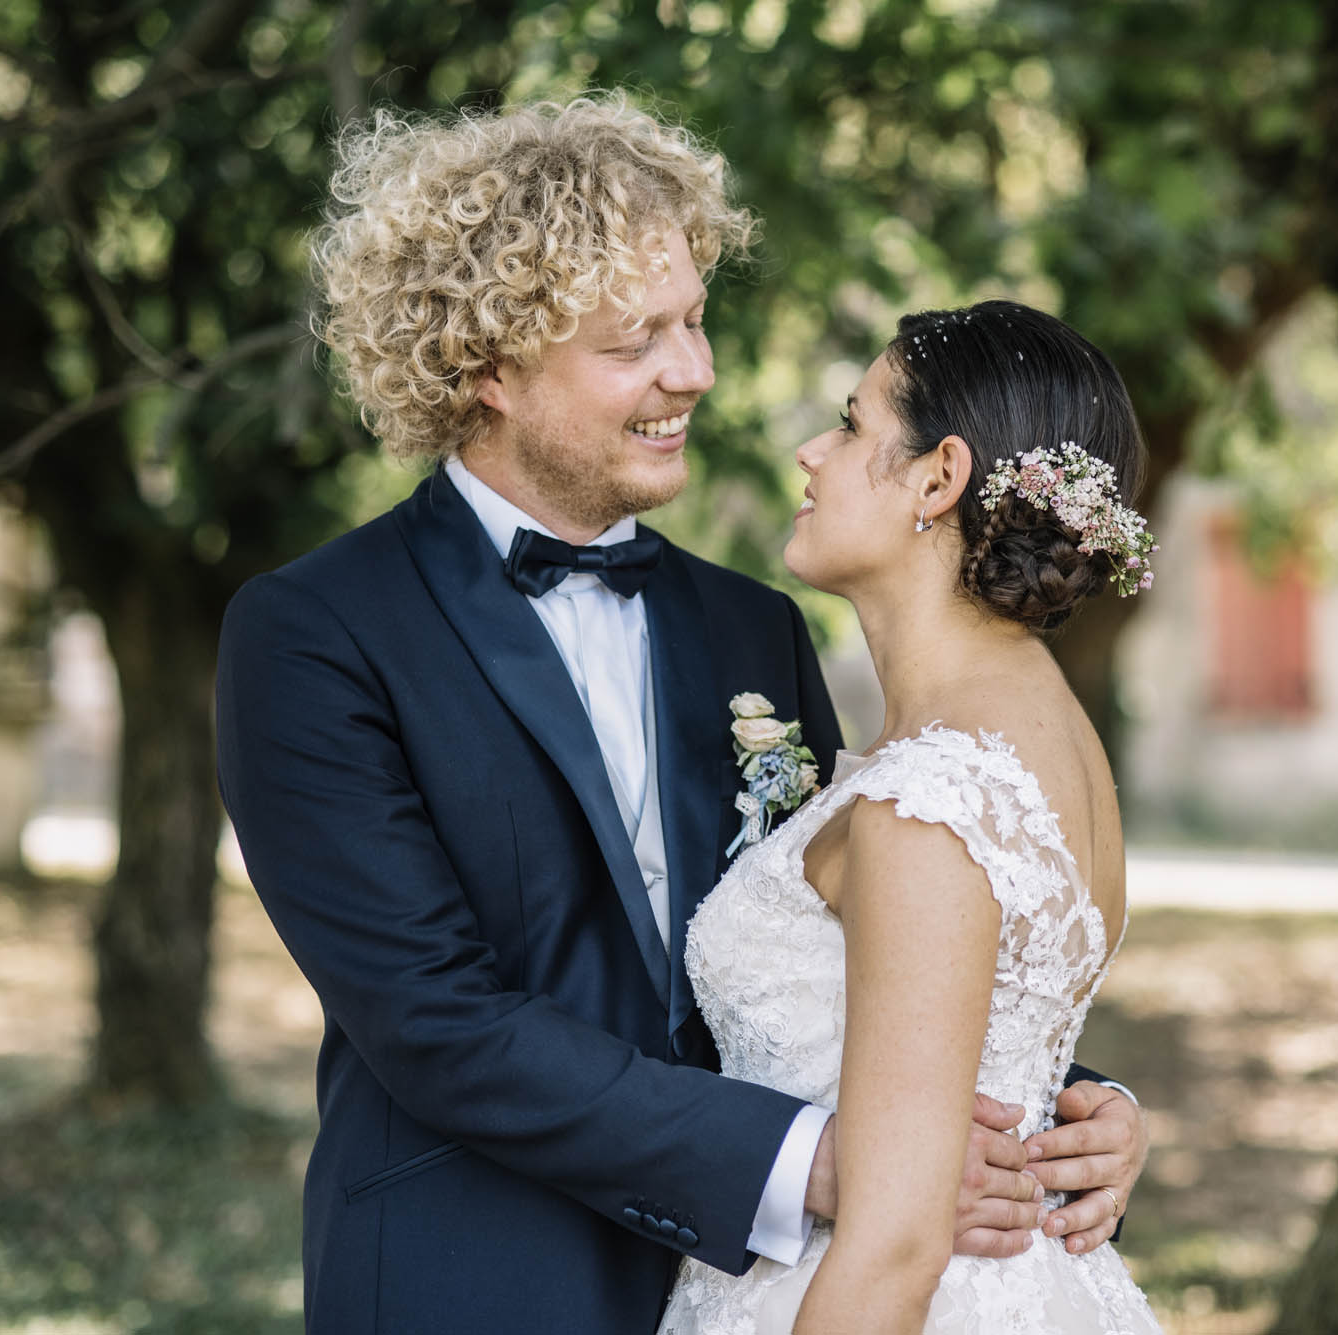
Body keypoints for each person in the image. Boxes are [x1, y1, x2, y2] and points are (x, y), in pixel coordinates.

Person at [213, 95, 1147, 1335]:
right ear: (485, 366)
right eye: (635, 340)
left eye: (695, 320)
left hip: (772, 1288)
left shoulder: (754, 628)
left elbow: (854, 949)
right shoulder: (316, 634)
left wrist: (1061, 1121)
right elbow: (433, 1020)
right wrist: (816, 1165)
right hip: (477, 1280)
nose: (693, 372)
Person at [661, 300, 1162, 1333]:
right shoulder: (1039, 739)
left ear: (938, 476)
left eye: (849, 425)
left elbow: (891, 1251)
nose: (812, 452)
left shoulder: (927, 801)